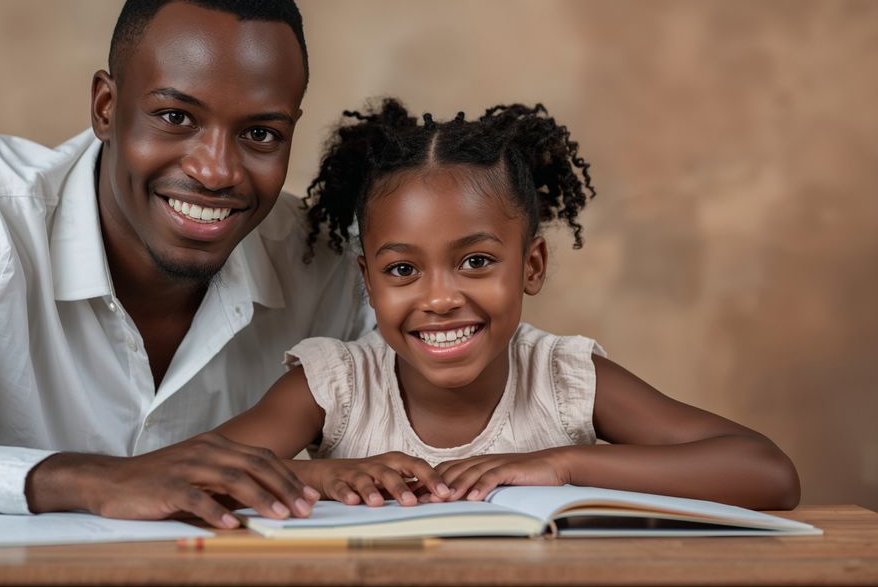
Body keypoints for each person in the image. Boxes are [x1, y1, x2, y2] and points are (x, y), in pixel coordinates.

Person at [0, 0, 375, 529]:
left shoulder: (331, 266)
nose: (216, 170)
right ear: (105, 106)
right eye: (175, 117)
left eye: (261, 134)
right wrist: (88, 481)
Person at [215, 99, 801, 510]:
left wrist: (565, 466)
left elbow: (767, 472)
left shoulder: (562, 378)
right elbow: (195, 478)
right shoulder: (336, 384)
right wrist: (313, 473)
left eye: (476, 261)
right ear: (368, 281)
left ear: (532, 266)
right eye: (402, 269)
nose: (441, 298)